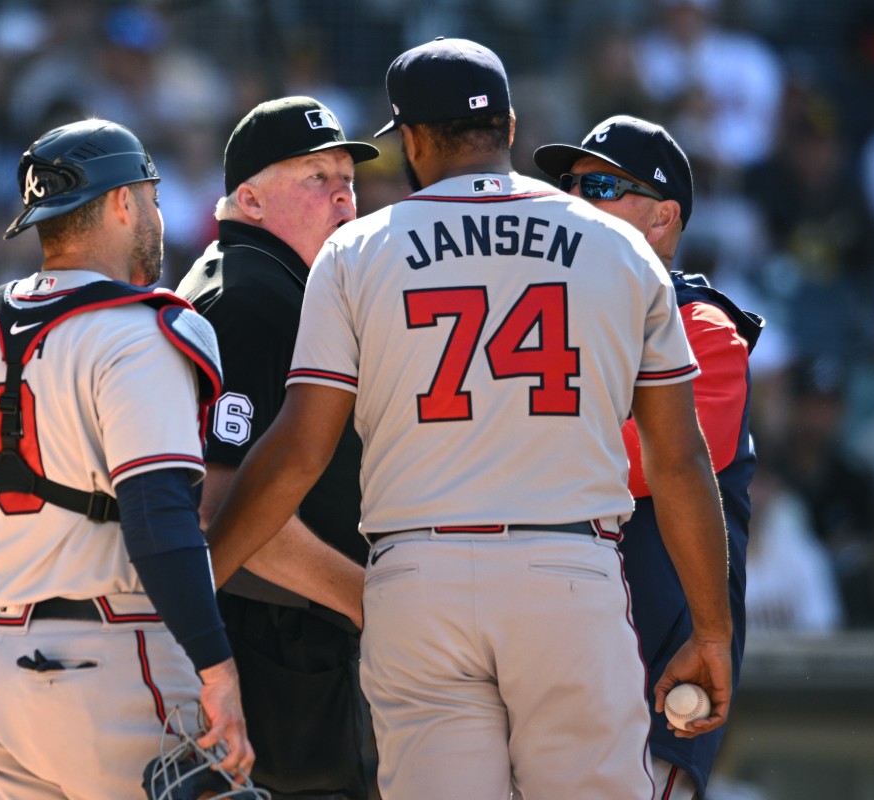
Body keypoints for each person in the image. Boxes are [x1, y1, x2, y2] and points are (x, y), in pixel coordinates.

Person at [205, 38, 735, 799]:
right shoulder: (622, 248)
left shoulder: (356, 251)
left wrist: (195, 591)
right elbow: (681, 462)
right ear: (510, 128)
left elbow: (297, 452)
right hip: (569, 572)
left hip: (420, 580)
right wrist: (711, 632)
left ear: (412, 140)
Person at [0, 118, 255, 798]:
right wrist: (217, 668)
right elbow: (159, 522)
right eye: (149, 196)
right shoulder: (142, 333)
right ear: (124, 202)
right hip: (122, 660)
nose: (153, 212)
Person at [533, 114, 761, 799]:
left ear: (663, 217)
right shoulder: (546, 317)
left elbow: (651, 459)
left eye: (601, 186)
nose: (577, 203)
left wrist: (515, 452)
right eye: (570, 187)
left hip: (661, 649)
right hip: (552, 637)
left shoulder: (702, 325)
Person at [175, 96, 378, 798]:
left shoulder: (264, 283)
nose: (345, 199)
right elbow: (217, 510)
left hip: (288, 644)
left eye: (348, 180)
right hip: (280, 651)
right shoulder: (251, 298)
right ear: (251, 200)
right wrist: (366, 599)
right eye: (316, 179)